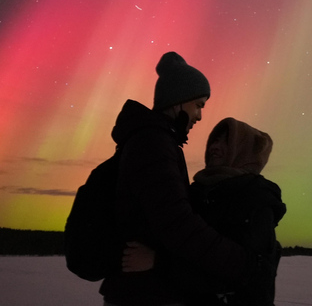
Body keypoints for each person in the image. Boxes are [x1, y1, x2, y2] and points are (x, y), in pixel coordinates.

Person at [100, 51, 250, 306]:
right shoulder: (154, 145)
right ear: (179, 100)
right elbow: (177, 224)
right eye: (199, 105)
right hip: (144, 295)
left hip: (141, 290)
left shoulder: (154, 141)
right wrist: (237, 260)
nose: (199, 116)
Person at [125, 118, 286, 306]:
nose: (214, 147)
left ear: (242, 151)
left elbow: (246, 272)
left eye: (227, 142)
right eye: (214, 141)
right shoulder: (198, 192)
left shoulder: (254, 198)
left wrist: (158, 262)